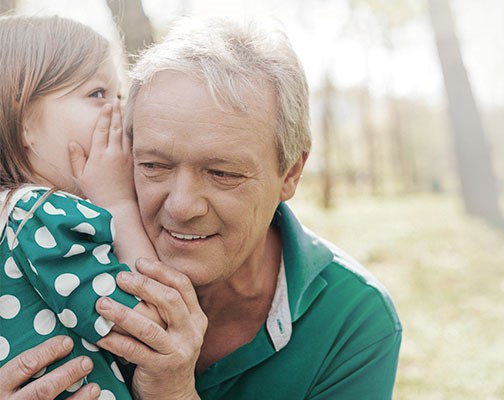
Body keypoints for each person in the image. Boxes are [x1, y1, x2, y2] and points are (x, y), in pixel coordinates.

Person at [1, 17, 402, 400]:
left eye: (222, 173)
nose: (182, 206)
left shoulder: (353, 319)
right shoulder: (65, 233)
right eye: (154, 166)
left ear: (290, 173)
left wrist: (173, 392)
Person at [0, 15, 160, 400]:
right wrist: (118, 201)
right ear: (24, 123)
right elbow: (151, 325)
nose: (119, 114)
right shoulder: (43, 215)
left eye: (119, 96)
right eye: (97, 94)